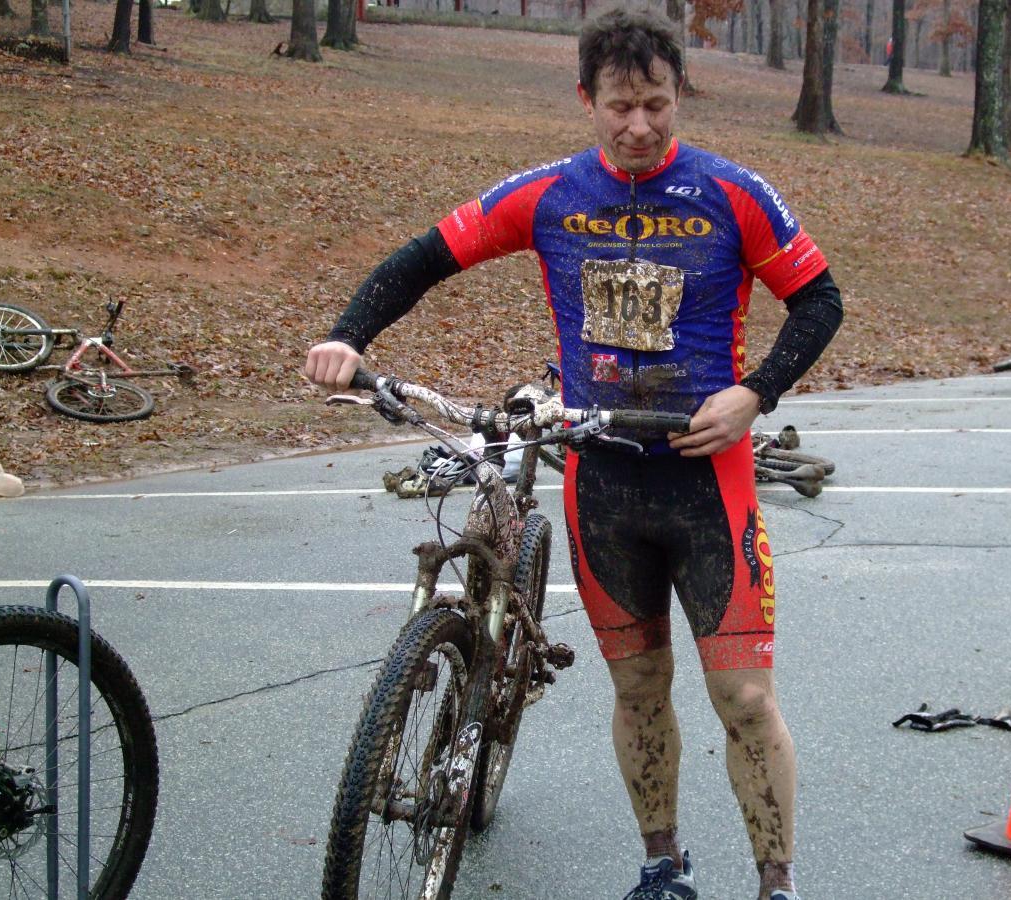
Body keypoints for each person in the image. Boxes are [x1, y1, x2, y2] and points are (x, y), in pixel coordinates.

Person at [304, 7, 843, 899]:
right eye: (620, 107)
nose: (639, 127)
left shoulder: (733, 193)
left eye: (657, 105)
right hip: (604, 487)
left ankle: (777, 884)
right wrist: (346, 336)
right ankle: (662, 868)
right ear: (586, 99)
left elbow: (819, 300)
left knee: (745, 699)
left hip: (710, 486)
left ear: (681, 95)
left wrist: (756, 393)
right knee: (639, 689)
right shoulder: (552, 194)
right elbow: (425, 258)